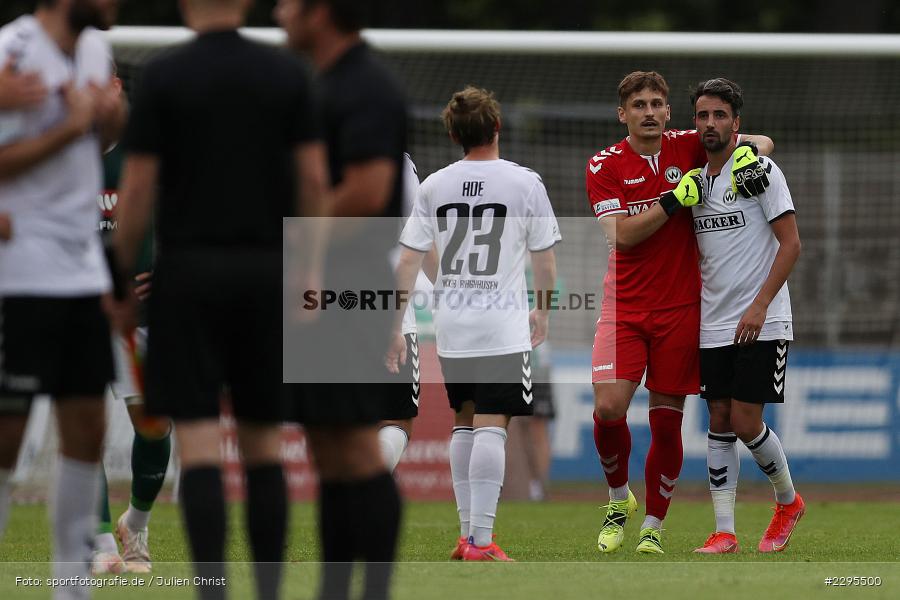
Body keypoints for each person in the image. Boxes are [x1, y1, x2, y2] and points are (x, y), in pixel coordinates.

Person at [109, 1, 327, 598]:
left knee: (200, 444)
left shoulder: (163, 75)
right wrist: (307, 274)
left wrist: (120, 277)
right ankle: (268, 589)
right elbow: (312, 180)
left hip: (187, 276)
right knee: (261, 446)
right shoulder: (286, 73)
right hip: (265, 274)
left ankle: (212, 589)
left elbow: (137, 190)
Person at [585, 71, 774, 554]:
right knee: (608, 408)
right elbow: (621, 235)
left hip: (681, 309)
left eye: (656, 104)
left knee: (667, 421)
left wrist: (753, 149)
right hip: (624, 307)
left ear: (668, 113)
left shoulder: (688, 145)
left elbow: (758, 139)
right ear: (622, 114)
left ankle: (652, 525)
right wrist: (673, 200)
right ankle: (617, 500)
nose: (648, 112)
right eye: (638, 105)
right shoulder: (603, 164)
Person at [388, 86, 560, 561]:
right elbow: (545, 262)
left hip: (453, 324)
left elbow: (410, 259)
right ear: (497, 127)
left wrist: (437, 293)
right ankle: (481, 541)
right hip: (501, 325)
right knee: (492, 423)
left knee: (463, 420)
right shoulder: (524, 183)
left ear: (452, 134)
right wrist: (541, 308)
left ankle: (466, 536)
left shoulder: (434, 185)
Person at [276, 1, 407, 597]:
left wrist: (297, 247)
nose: (278, 11)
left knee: (354, 444)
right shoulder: (325, 83)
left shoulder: (365, 85)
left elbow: (367, 190)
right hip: (320, 285)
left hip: (346, 286)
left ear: (320, 11)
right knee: (328, 445)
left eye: (286, 2)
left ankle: (372, 590)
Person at [0, 1, 122, 597]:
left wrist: (109, 118)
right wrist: (71, 126)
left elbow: (96, 142)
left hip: (82, 273)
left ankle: (70, 590)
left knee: (86, 427)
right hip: (19, 273)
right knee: (7, 435)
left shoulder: (97, 49)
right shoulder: (11, 51)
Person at [684, 78, 804, 554]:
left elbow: (791, 244)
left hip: (764, 318)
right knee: (717, 417)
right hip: (712, 321)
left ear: (736, 122)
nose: (710, 124)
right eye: (702, 115)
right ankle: (725, 530)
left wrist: (759, 304)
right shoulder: (693, 178)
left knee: (745, 420)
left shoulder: (759, 170)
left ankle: (788, 501)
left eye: (719, 116)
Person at [91, 71, 172, 576]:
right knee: (84, 424)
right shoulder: (58, 153)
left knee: (156, 424)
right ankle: (100, 544)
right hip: (80, 306)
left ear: (117, 89)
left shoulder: (150, 153)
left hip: (143, 314)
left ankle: (134, 523)